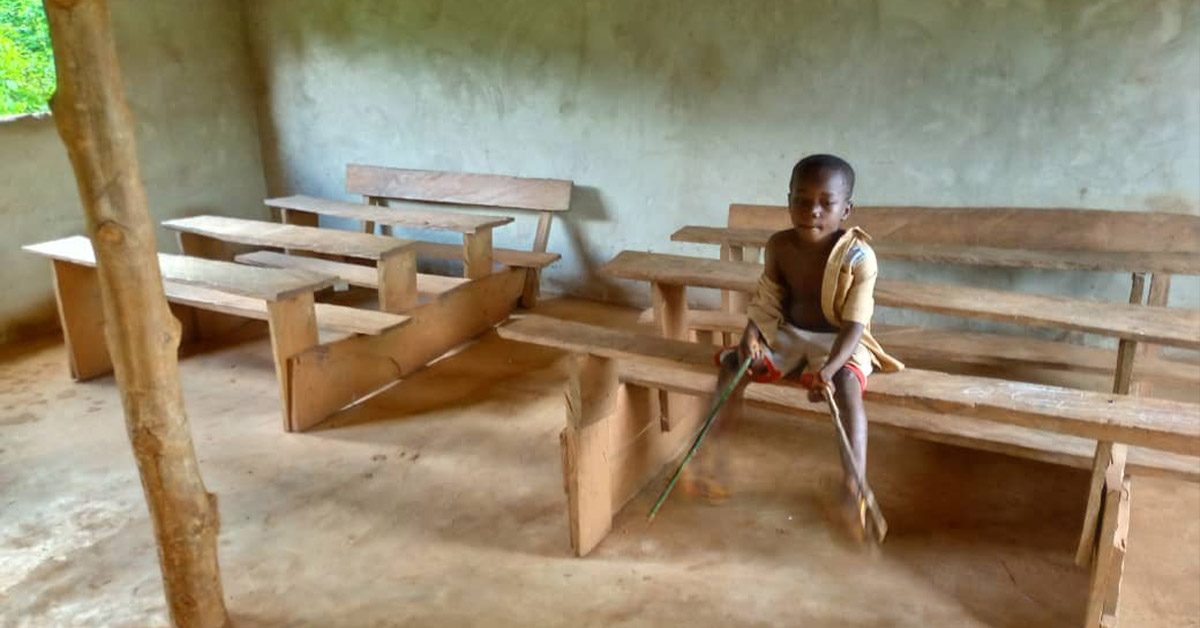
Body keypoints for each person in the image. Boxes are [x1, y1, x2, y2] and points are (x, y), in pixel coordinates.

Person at [689, 153, 903, 541]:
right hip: (789, 333)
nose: (813, 211)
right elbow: (768, 299)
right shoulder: (779, 246)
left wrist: (830, 368)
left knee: (848, 391)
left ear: (847, 208)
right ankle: (712, 458)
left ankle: (852, 487)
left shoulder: (859, 257)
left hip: (840, 342)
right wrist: (751, 332)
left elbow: (856, 324)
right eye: (801, 200)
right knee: (734, 365)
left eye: (826, 202)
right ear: (788, 201)